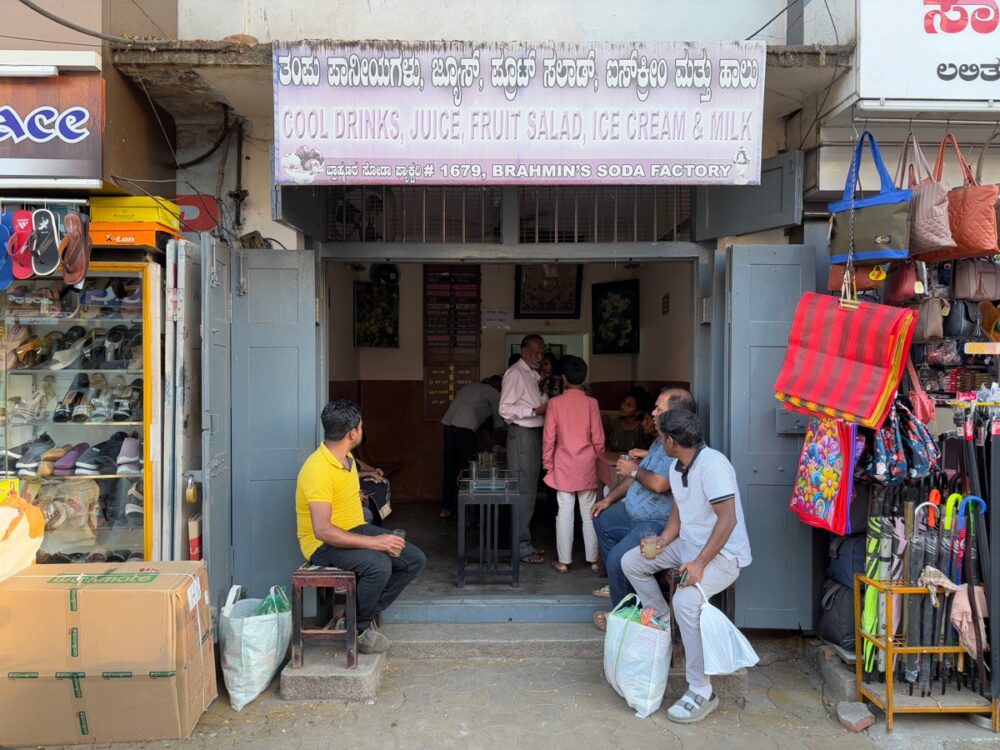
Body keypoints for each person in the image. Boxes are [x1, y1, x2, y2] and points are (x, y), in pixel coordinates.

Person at [621, 409, 752, 725]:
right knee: (632, 562)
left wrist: (699, 564)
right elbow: (679, 514)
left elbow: (728, 519)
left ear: (669, 440)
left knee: (685, 601)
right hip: (688, 545)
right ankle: (662, 617)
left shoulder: (713, 466)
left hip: (722, 555)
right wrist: (664, 542)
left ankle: (701, 689)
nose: (658, 440)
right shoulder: (677, 465)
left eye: (659, 435)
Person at [295, 400, 426, 654]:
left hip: (353, 528)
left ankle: (354, 613)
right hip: (323, 544)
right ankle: (359, 629)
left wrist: (359, 491)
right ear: (352, 433)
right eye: (361, 426)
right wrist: (376, 543)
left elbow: (350, 475)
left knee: (412, 559)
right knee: (379, 564)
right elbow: (322, 530)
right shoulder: (317, 469)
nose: (362, 430)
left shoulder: (345, 458)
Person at [590, 387, 697, 630]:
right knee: (601, 518)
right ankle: (622, 589)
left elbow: (660, 484)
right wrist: (609, 499)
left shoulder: (681, 444)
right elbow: (636, 476)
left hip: (656, 523)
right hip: (632, 511)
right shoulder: (661, 440)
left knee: (619, 558)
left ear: (677, 413)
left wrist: (634, 470)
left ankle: (627, 616)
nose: (654, 412)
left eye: (660, 408)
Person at [542, 355, 604, 573]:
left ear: (564, 378)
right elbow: (598, 437)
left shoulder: (555, 403)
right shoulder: (592, 403)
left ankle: (564, 562)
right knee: (589, 512)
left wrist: (547, 462)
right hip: (587, 465)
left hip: (563, 465)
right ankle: (594, 561)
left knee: (564, 512)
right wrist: (600, 461)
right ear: (583, 377)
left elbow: (549, 437)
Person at [499, 333, 547, 564]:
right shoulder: (515, 374)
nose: (541, 356)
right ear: (524, 352)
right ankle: (520, 546)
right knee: (523, 491)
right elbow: (505, 409)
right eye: (537, 352)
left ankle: (523, 542)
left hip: (532, 436)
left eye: (543, 352)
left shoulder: (533, 375)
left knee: (528, 490)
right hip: (522, 436)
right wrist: (534, 412)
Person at [440, 375, 503, 520]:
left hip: (448, 427)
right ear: (498, 387)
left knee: (449, 468)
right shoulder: (493, 392)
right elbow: (499, 422)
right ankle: (464, 510)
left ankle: (446, 509)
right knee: (465, 470)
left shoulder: (470, 386)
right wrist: (498, 443)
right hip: (465, 430)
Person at [605, 386, 652, 454]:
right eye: (623, 402)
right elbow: (609, 445)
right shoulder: (616, 423)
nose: (623, 406)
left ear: (638, 411)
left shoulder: (643, 427)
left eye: (629, 405)